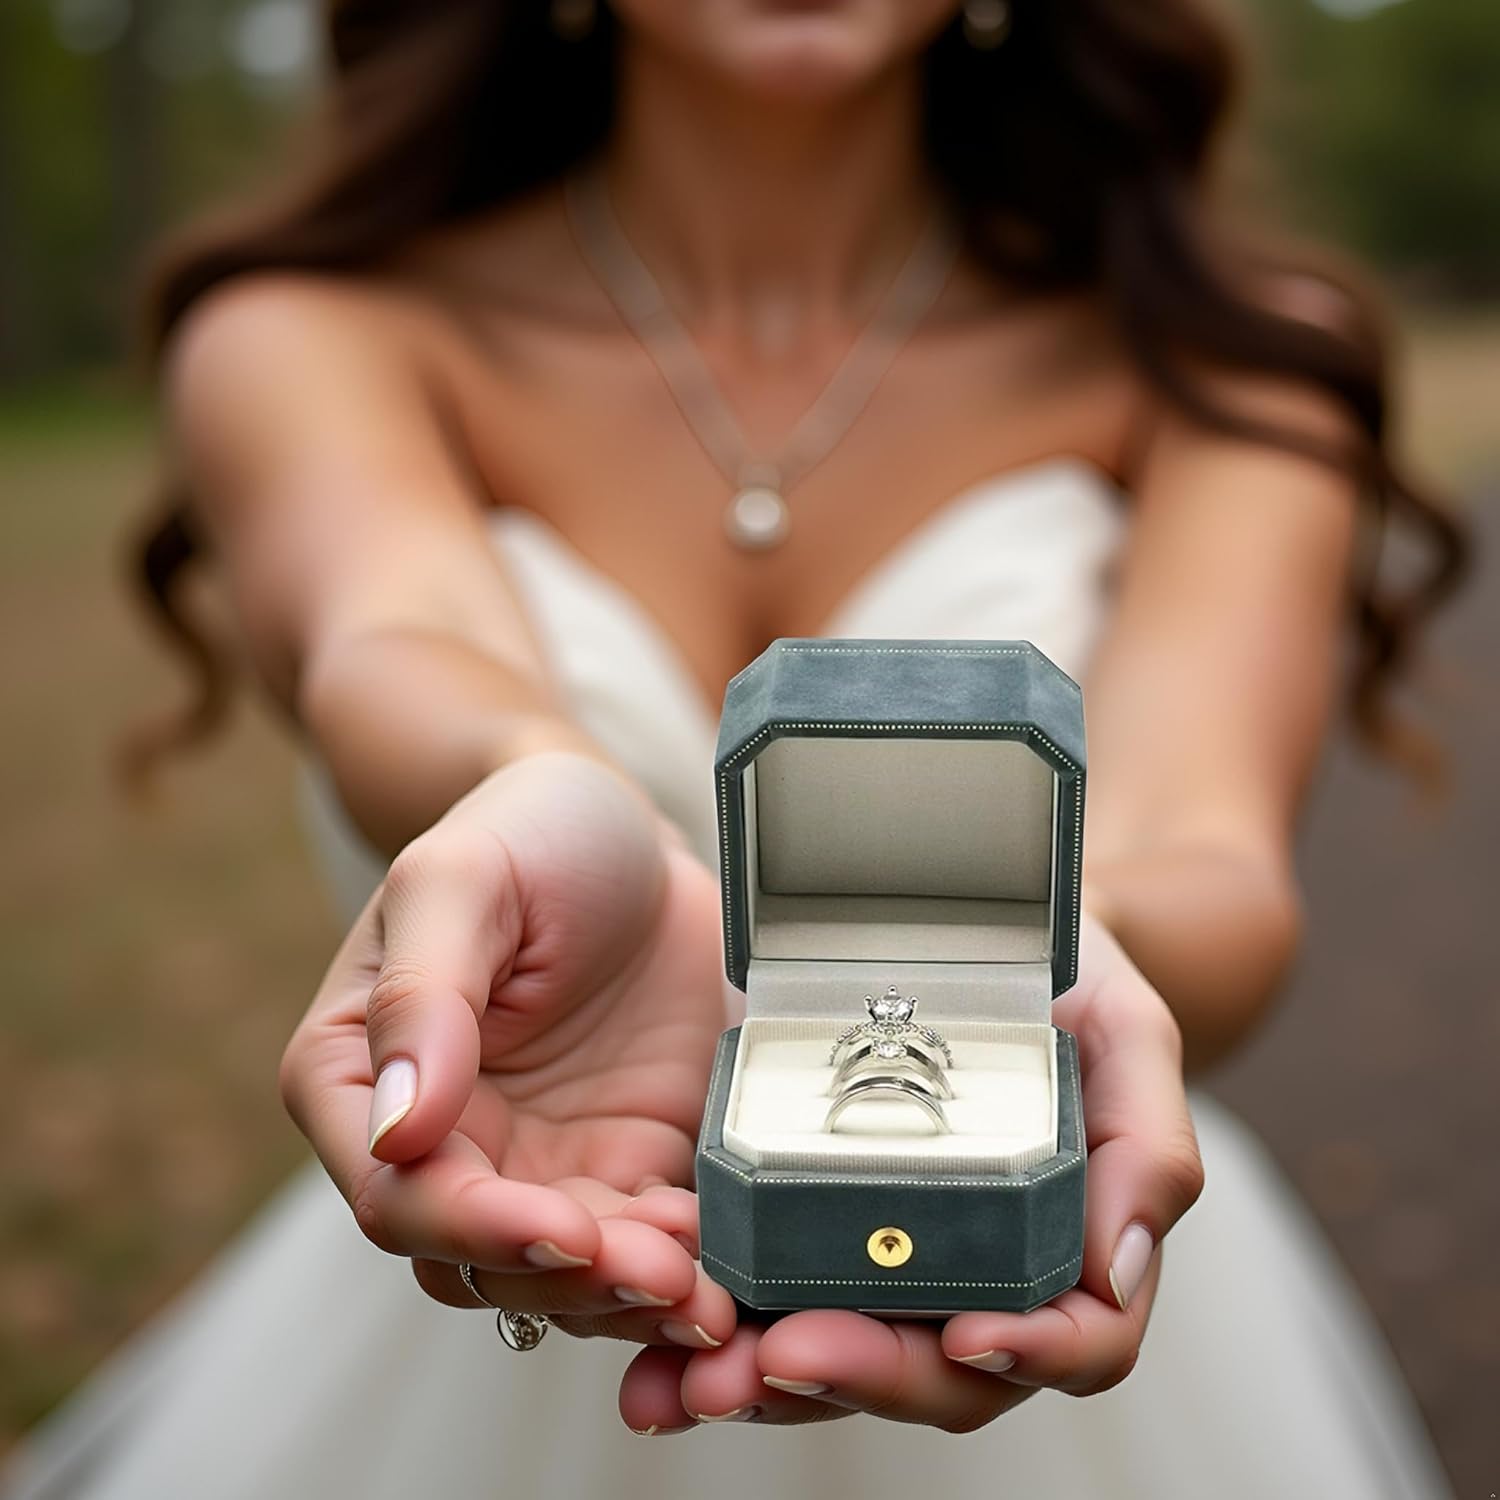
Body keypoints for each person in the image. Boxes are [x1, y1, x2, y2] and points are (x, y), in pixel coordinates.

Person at [1, 0, 1469, 1496]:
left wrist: (1054, 975)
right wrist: (546, 790)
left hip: (1035, 1235)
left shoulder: (1229, 362)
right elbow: (398, 633)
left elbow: (1201, 843)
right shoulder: (309, 334)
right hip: (519, 1230)